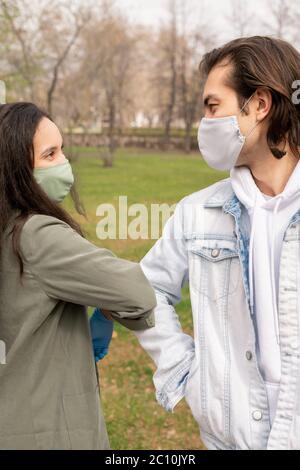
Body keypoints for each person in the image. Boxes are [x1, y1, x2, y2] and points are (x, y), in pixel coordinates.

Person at [133, 36, 300, 450]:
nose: (204, 123)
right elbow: (147, 288)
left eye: (213, 107)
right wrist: (186, 372)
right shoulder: (196, 212)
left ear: (259, 104)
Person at [0, 102, 156, 450]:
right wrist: (106, 310)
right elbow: (136, 291)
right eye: (50, 154)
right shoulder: (35, 234)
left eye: (63, 150)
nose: (64, 165)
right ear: (16, 168)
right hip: (46, 429)